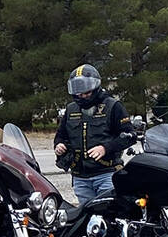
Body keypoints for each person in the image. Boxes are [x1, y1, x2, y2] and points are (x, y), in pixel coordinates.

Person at [53, 64, 135, 206]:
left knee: (109, 211)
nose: (82, 96)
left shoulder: (113, 106)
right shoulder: (71, 109)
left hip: (107, 174)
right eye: (78, 92)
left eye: (86, 92)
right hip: (80, 177)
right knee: (87, 214)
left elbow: (129, 136)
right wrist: (59, 145)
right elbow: (60, 135)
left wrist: (105, 148)